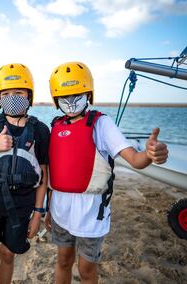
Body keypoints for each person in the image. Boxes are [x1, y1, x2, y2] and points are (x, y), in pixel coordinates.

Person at [45, 61, 169, 284]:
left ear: (88, 93)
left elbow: (135, 159)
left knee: (86, 269)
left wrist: (150, 155)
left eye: (77, 94)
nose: (71, 101)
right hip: (60, 209)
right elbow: (53, 173)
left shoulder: (102, 125)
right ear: (56, 99)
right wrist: (48, 208)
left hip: (91, 212)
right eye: (65, 96)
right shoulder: (55, 126)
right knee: (63, 260)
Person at [0, 63, 50, 284]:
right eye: (6, 93)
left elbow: (43, 175)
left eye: (18, 92)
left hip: (22, 202)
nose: (12, 97)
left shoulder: (41, 130)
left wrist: (37, 214)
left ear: (29, 95)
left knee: (7, 255)